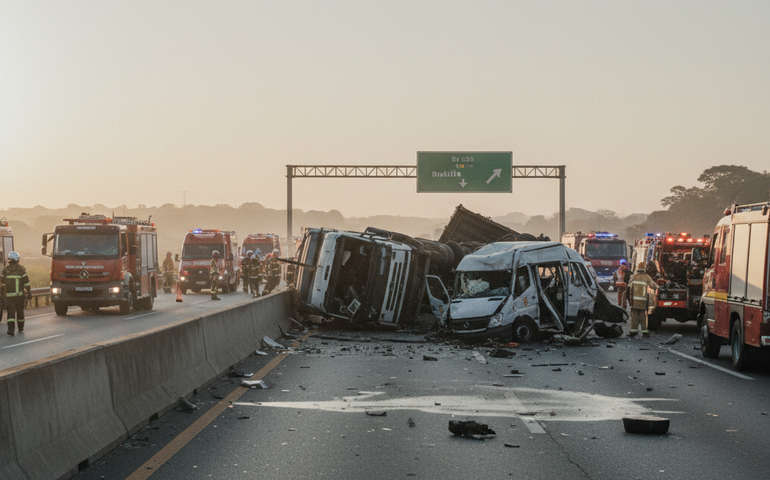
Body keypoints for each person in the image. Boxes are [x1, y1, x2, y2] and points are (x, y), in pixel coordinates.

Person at [1, 251, 32, 336]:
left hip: (9, 297)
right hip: (19, 296)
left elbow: (1, 283)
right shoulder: (21, 269)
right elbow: (26, 282)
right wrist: (29, 292)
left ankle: (11, 329)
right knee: (20, 312)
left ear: (9, 260)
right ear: (18, 260)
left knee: (10, 314)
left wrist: (2, 293)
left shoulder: (5, 270)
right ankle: (20, 327)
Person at [628, 262, 658, 337]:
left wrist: (630, 300)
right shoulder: (646, 277)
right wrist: (659, 286)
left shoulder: (634, 277)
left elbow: (630, 288)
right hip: (643, 301)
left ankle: (633, 331)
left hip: (635, 301)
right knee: (643, 317)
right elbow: (652, 285)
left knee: (634, 317)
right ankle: (645, 332)